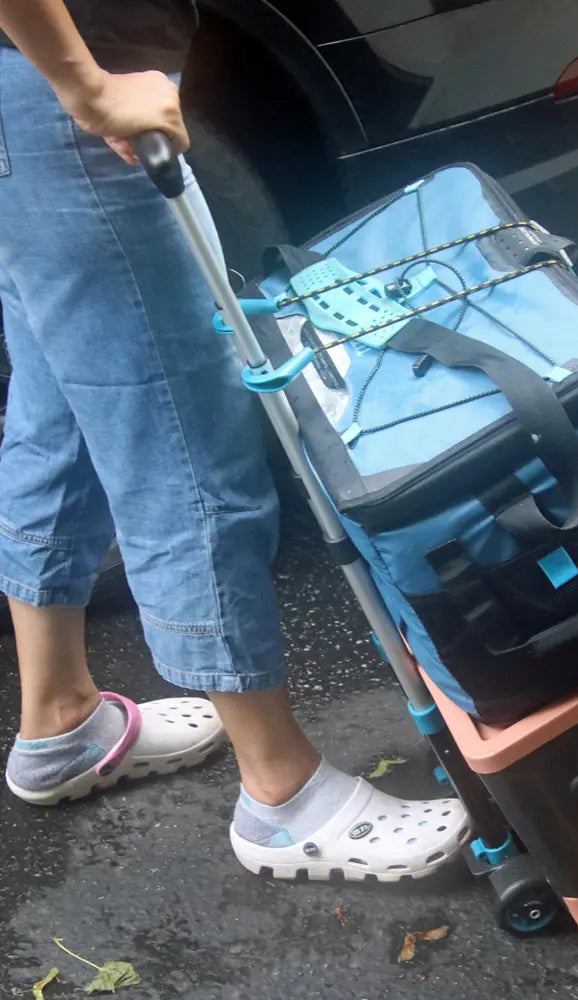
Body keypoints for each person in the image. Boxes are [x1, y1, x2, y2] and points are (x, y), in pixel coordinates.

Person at [0, 0, 469, 883]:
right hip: (61, 101)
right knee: (181, 436)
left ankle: (58, 717)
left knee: (58, 409)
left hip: (24, 102)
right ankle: (282, 794)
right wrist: (86, 86)